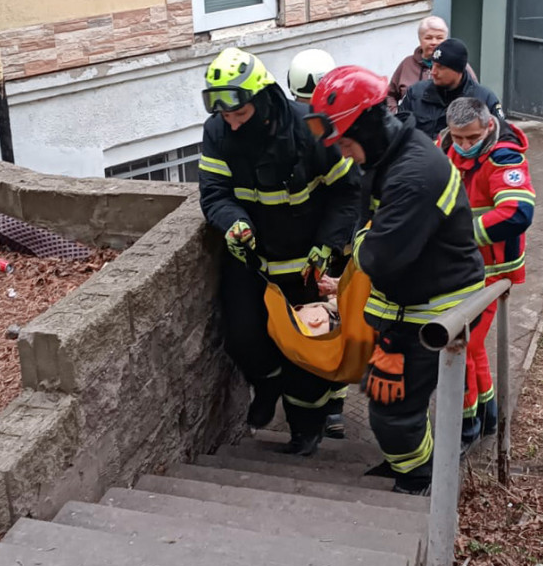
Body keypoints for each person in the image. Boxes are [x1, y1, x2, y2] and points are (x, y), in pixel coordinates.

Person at [307, 66, 485, 494]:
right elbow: (372, 233)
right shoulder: (391, 157)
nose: (346, 154)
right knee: (391, 402)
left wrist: (367, 235)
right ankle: (410, 463)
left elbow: (377, 258)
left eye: (347, 143)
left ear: (367, 126)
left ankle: (422, 480)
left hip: (434, 314)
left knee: (391, 410)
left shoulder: (413, 175)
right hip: (409, 306)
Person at [198, 47, 362, 455]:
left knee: (307, 353)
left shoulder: (312, 129)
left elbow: (347, 192)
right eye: (225, 116)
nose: (232, 125)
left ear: (263, 97)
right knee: (242, 337)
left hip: (307, 262)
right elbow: (214, 192)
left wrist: (327, 245)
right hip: (252, 261)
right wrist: (231, 221)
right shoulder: (217, 132)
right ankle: (267, 385)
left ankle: (306, 432)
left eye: (239, 114)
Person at [440, 97, 535, 446]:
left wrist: (461, 234)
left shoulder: (504, 157)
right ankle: (487, 415)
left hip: (492, 271)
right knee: (475, 346)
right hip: (462, 267)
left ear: (488, 126)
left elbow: (517, 212)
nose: (464, 145)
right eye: (458, 137)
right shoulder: (446, 146)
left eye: (471, 138)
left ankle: (464, 427)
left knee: (460, 346)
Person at [287, 47, 349, 438]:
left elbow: (351, 190)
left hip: (339, 240)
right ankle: (320, 402)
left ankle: (336, 402)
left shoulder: (346, 126)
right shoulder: (295, 130)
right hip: (313, 243)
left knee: (339, 318)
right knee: (318, 320)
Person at [397, 37, 503, 139]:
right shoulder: (415, 93)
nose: (433, 72)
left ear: (458, 71)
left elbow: (503, 135)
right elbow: (399, 131)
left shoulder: (485, 99)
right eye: (433, 65)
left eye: (441, 67)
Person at [386, 16, 477, 112]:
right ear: (420, 40)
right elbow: (389, 95)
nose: (434, 42)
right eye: (428, 38)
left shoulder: (458, 66)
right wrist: (396, 114)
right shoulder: (407, 64)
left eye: (439, 38)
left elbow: (475, 94)